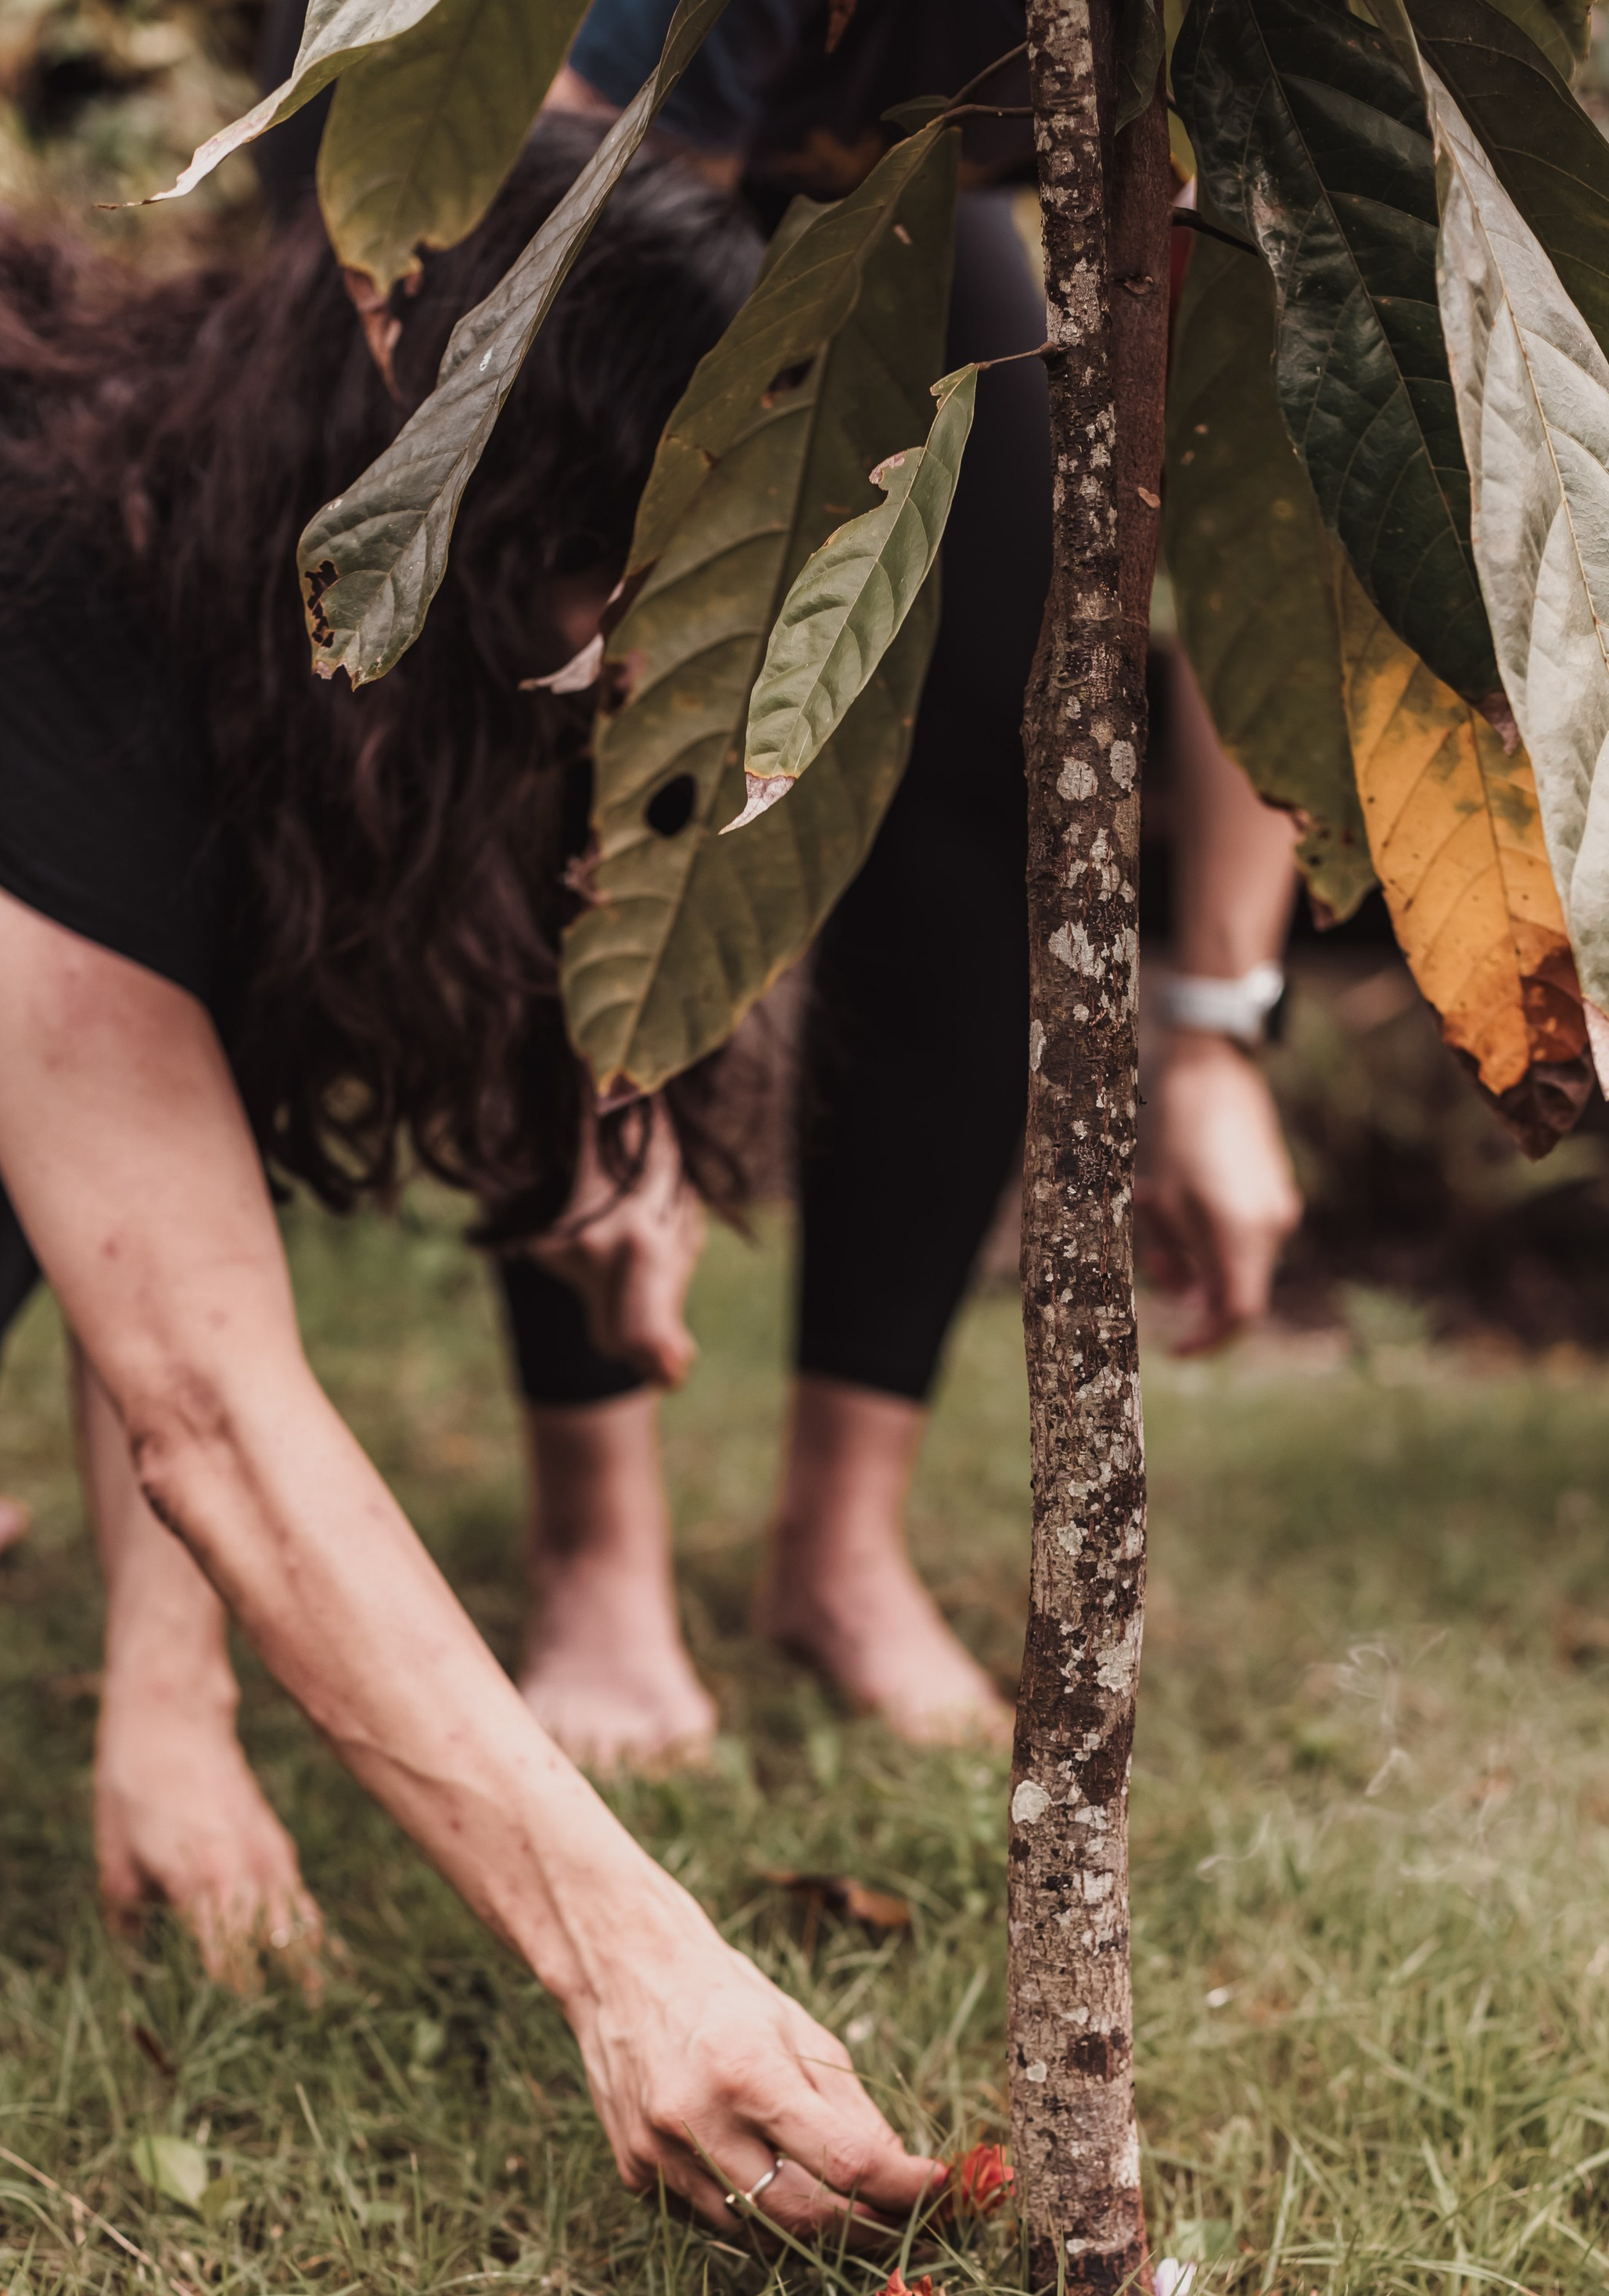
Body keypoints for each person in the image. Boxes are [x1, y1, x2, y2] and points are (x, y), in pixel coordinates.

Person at [0, 127, 946, 2233]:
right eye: (642, 601)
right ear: (499, 530)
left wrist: (174, 1702)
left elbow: (159, 1137)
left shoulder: (210, 570)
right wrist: (632, 1958)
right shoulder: (9, 590)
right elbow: (201, 1382)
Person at [497, 0, 1306, 1772]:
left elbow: (1282, 498)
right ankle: (595, 1548)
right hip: (555, 176)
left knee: (996, 751)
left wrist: (1210, 1026)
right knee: (552, 745)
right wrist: (626, 1061)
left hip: (878, 179)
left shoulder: (1284, 74)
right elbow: (559, 493)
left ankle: (834, 1548)